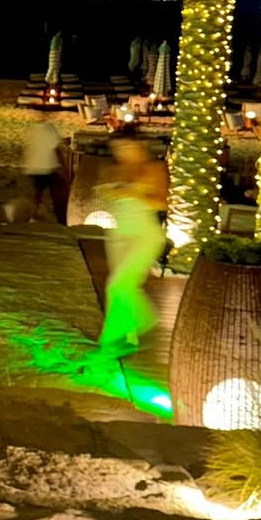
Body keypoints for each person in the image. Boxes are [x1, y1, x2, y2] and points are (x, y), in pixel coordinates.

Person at [93, 124, 168, 357]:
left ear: (139, 145)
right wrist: (109, 192)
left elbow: (162, 203)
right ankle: (135, 331)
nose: (121, 152)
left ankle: (112, 340)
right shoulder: (113, 170)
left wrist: (134, 193)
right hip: (118, 235)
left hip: (145, 235)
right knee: (124, 287)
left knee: (118, 285)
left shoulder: (153, 168)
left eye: (125, 146)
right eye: (116, 148)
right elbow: (106, 194)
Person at [21, 107, 66, 222]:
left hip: (34, 166)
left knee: (37, 193)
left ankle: (33, 215)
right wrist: (63, 165)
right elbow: (56, 148)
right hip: (48, 166)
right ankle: (60, 218)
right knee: (58, 193)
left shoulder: (32, 128)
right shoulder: (49, 128)